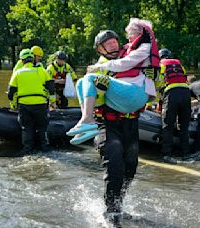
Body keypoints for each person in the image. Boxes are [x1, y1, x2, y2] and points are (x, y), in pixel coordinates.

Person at [70, 18, 159, 225]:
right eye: (107, 44)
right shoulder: (99, 67)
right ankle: (111, 214)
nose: (113, 45)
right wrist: (101, 89)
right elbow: (91, 93)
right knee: (115, 166)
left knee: (131, 168)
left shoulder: (131, 55)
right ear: (100, 49)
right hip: (107, 124)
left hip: (131, 122)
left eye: (114, 42)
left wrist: (156, 74)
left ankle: (118, 205)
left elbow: (150, 77)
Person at [7, 49, 56, 153]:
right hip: (40, 104)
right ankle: (44, 148)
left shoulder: (17, 73)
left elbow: (11, 92)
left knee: (26, 128)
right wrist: (52, 101)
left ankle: (27, 149)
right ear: (32, 59)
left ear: (22, 60)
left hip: (24, 105)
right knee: (42, 127)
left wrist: (13, 105)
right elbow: (51, 87)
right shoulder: (41, 71)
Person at [158, 48, 191, 157]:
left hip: (172, 94)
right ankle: (185, 152)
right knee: (184, 126)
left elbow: (158, 85)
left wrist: (158, 105)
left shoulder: (160, 65)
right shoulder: (179, 65)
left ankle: (166, 153)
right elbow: (184, 79)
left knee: (168, 124)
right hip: (186, 93)